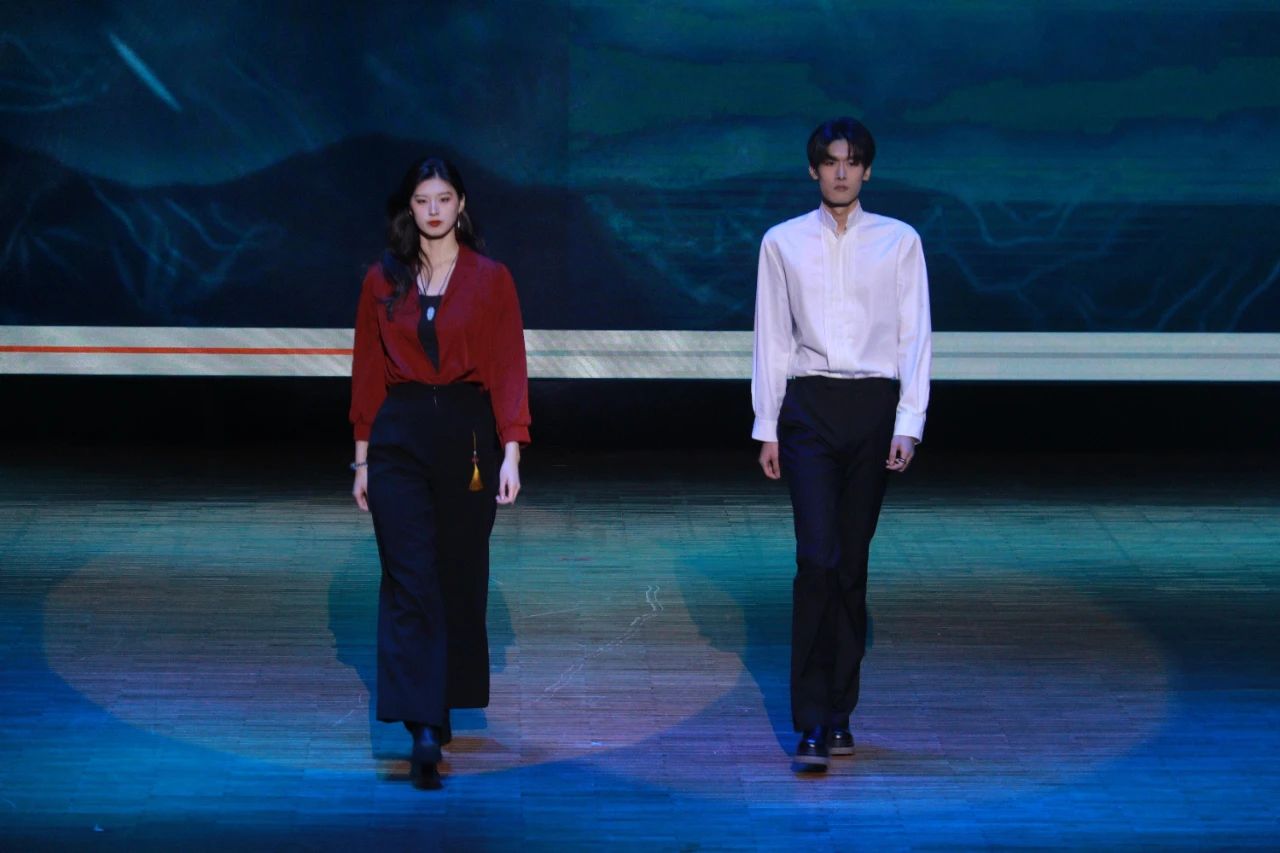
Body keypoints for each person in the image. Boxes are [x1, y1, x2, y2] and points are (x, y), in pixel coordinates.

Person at [751, 118, 932, 770]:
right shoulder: (782, 242)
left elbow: (915, 333)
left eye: (853, 161)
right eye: (831, 161)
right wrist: (766, 424)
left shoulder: (899, 241)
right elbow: (772, 336)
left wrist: (909, 420)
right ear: (813, 169)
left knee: (851, 564)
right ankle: (809, 722)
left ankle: (839, 711)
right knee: (816, 559)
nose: (841, 172)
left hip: (873, 407)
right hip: (808, 409)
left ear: (867, 171)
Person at [349, 156, 530, 789]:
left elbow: (508, 364)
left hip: (468, 440)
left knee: (455, 576)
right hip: (397, 438)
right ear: (410, 207)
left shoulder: (490, 278)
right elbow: (367, 372)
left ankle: (439, 705)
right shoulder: (382, 279)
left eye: (444, 198)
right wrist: (362, 458)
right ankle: (423, 726)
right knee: (409, 578)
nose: (433, 210)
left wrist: (513, 449)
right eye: (423, 199)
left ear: (461, 205)